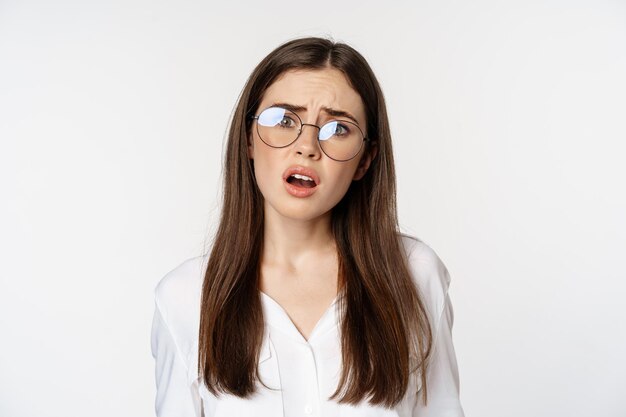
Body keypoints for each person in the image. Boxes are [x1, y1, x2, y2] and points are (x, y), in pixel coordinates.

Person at [150, 37, 465, 417]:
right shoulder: (185, 298)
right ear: (249, 137)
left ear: (365, 160)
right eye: (283, 120)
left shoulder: (415, 274)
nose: (307, 146)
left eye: (338, 129)